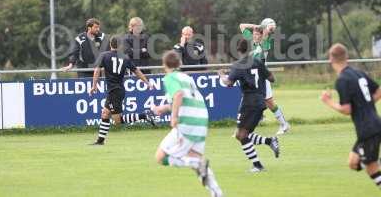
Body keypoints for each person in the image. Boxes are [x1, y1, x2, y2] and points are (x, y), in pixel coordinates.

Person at [151, 51, 223, 197]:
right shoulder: (186, 78)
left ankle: (197, 165)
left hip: (187, 122)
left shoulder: (170, 78)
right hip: (201, 120)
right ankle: (217, 193)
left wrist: (174, 117)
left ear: (164, 65)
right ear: (180, 64)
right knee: (195, 158)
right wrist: (162, 108)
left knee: (160, 157)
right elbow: (182, 99)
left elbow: (178, 95)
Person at [320, 43, 381, 189]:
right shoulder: (358, 73)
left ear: (331, 59)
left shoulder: (342, 80)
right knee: (353, 163)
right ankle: (372, 159)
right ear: (347, 57)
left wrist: (328, 101)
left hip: (367, 129)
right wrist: (365, 103)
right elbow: (379, 90)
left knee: (370, 166)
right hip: (373, 124)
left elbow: (346, 109)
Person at [219, 39, 280, 172]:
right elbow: (272, 78)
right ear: (249, 49)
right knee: (244, 133)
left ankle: (258, 165)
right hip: (260, 102)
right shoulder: (258, 62)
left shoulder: (238, 65)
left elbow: (229, 83)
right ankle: (270, 141)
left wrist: (222, 76)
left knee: (241, 135)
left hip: (249, 102)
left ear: (238, 50)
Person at [89, 36, 156, 145]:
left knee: (117, 121)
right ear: (120, 46)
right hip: (118, 90)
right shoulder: (125, 57)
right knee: (105, 114)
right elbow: (136, 71)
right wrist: (147, 82)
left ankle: (144, 115)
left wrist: (94, 86)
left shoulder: (104, 55)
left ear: (110, 44)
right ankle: (100, 141)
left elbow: (97, 71)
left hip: (114, 92)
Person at [239, 21, 290, 135]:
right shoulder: (251, 40)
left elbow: (268, 31)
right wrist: (255, 26)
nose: (255, 36)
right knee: (245, 100)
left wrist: (268, 27)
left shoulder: (265, 43)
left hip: (261, 77)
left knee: (269, 103)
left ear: (262, 36)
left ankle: (284, 124)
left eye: (258, 34)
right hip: (251, 76)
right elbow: (242, 26)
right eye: (254, 34)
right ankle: (242, 128)